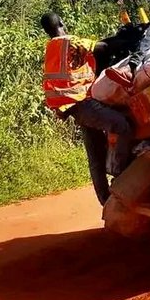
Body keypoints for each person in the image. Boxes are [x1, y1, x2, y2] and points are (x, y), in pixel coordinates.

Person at [40, 13, 133, 207]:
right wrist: (128, 38)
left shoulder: (51, 47)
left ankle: (105, 201)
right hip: (82, 102)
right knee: (121, 125)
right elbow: (104, 47)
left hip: (70, 105)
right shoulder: (70, 41)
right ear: (61, 23)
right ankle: (120, 173)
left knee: (95, 155)